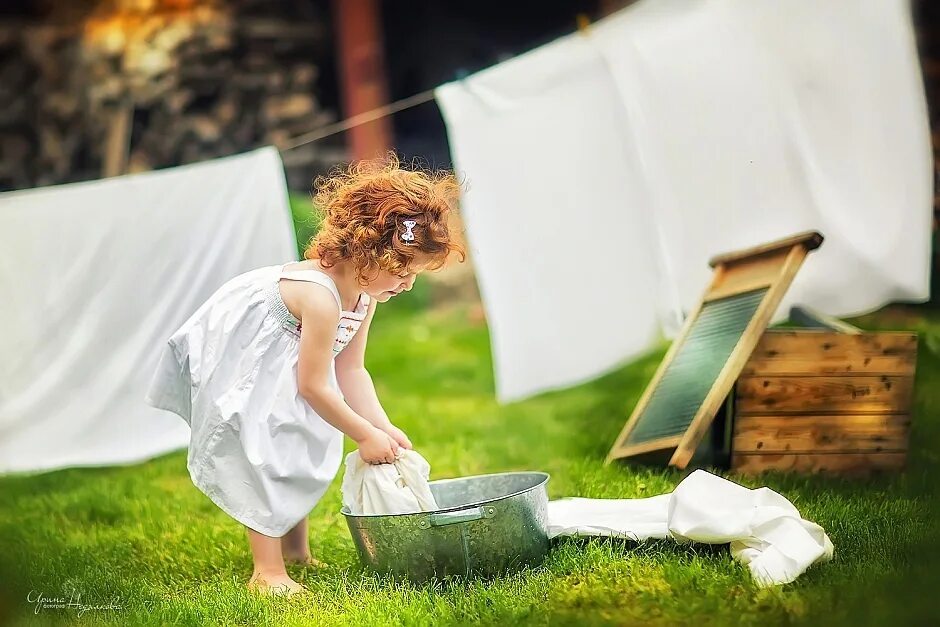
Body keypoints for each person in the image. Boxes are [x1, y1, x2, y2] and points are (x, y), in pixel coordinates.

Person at [144, 153, 466, 596]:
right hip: (251, 363)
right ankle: (267, 572)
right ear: (369, 251)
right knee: (267, 454)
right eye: (404, 270)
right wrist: (362, 435)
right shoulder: (321, 298)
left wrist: (379, 426)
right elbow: (313, 385)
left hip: (292, 369)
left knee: (303, 441)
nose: (408, 284)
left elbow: (351, 369)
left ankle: (297, 551)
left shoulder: (363, 299)